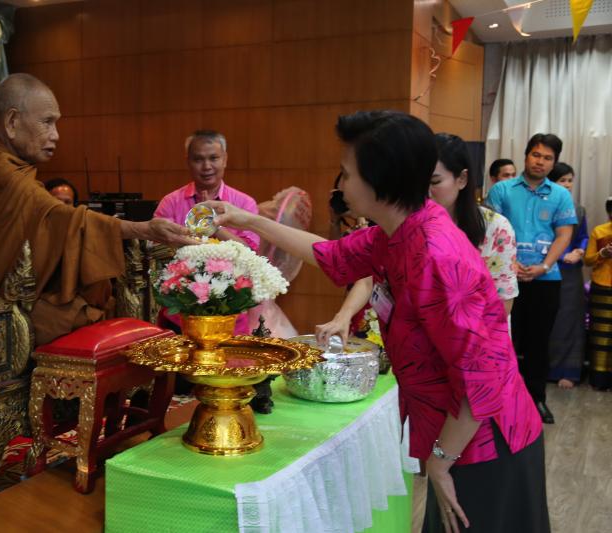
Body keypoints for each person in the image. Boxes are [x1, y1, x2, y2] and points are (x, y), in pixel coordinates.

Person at [205, 111, 548, 533]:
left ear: (380, 180)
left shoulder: (438, 256)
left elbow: (483, 374)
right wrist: (247, 219)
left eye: (347, 174)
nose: (341, 186)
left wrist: (442, 461)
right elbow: (329, 254)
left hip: (486, 441)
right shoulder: (399, 231)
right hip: (458, 435)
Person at [0, 73, 194, 345]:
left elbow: (52, 222)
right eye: (47, 122)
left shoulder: (5, 168)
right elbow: (62, 217)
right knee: (73, 315)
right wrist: (143, 229)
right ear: (12, 122)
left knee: (84, 310)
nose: (56, 135)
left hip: (0, 300)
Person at [317, 133, 518, 343]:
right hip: (417, 342)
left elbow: (502, 303)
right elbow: (364, 271)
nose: (425, 192)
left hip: (475, 342)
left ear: (462, 179)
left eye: (435, 182)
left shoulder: (496, 228)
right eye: (419, 182)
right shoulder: (406, 222)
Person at [486, 133, 576, 425]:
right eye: (536, 155)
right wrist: (509, 263)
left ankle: (536, 399)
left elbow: (564, 234)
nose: (541, 162)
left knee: (539, 342)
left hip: (545, 280)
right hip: (504, 280)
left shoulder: (561, 195)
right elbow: (489, 230)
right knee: (504, 340)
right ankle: (500, 401)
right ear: (526, 155)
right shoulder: (502, 190)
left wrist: (544, 265)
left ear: (554, 162)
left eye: (548, 158)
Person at [153, 129, 259, 335]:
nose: (207, 166)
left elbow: (249, 253)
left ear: (225, 159)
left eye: (213, 158)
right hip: (180, 313)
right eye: (198, 159)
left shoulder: (244, 203)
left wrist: (213, 226)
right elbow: (158, 251)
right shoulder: (171, 202)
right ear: (188, 161)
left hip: (230, 311)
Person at [546, 163, 588, 389]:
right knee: (549, 319)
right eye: (562, 180)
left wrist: (579, 250)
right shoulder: (544, 208)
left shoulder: (579, 209)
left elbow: (583, 237)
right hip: (547, 269)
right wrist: (562, 256)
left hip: (572, 273)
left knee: (571, 320)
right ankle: (545, 369)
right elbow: (541, 239)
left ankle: (569, 371)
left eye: (570, 180)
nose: (568, 184)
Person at [585, 197, 612, 390]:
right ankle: (599, 378)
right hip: (602, 287)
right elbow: (587, 260)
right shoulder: (600, 231)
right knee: (600, 334)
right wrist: (602, 254)